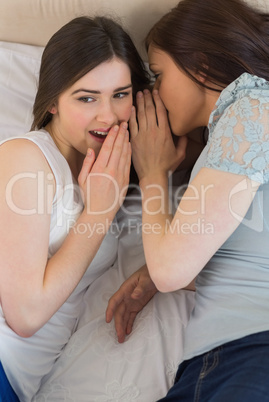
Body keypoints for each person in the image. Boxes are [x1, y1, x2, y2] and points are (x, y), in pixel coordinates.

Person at [106, 0, 269, 400]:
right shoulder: (241, 123)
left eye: (158, 76)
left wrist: (153, 172)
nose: (155, 95)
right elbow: (245, 256)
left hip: (250, 352)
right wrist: (152, 277)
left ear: (199, 64)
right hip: (224, 360)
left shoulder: (251, 107)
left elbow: (171, 270)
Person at [0, 15, 151, 402]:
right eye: (87, 97)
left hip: (18, 383)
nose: (108, 115)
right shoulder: (26, 158)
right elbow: (26, 314)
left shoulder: (110, 179)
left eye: (120, 94)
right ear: (52, 101)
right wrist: (98, 214)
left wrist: (159, 167)